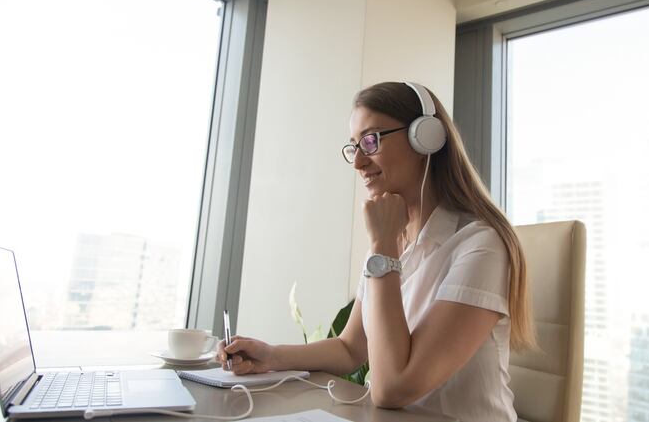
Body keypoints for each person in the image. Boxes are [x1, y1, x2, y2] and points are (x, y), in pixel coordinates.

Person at [216, 81, 536, 422]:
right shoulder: (394, 239)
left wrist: (382, 246)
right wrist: (270, 356)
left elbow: (392, 388)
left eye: (371, 141)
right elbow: (350, 348)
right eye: (354, 147)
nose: (358, 162)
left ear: (425, 138)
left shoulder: (480, 246)